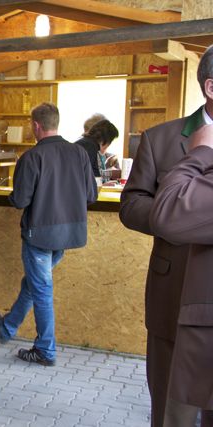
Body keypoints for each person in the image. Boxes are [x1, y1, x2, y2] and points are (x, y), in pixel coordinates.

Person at [119, 44, 213, 427]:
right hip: (174, 292)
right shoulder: (161, 138)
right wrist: (171, 217)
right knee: (170, 410)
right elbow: (131, 204)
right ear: (211, 87)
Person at [0, 103, 97, 366]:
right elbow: (91, 196)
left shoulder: (31, 157)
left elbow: (20, 200)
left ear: (36, 125)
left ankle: (45, 350)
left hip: (39, 235)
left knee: (41, 290)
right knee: (35, 284)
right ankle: (7, 327)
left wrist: (12, 194)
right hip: (68, 235)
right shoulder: (80, 153)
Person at [148, 124, 213, 427]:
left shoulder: (201, 145)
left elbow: (169, 214)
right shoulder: (159, 137)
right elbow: (133, 203)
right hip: (171, 301)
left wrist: (199, 153)